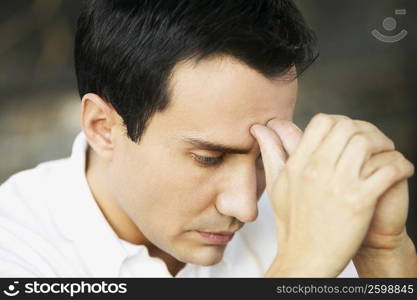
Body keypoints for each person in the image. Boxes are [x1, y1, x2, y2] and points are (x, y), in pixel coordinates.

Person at [0, 0, 415, 277]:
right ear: (103, 127)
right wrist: (302, 267)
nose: (247, 206)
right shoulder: (15, 251)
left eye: (260, 157)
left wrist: (381, 255)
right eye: (209, 158)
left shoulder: (301, 207)